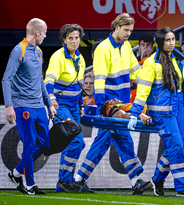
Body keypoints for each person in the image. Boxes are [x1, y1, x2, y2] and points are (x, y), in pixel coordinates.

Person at [74, 13, 151, 195]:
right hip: (109, 103)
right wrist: (102, 107)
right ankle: (135, 180)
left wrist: (151, 81)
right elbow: (99, 80)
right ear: (116, 27)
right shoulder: (103, 49)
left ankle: (79, 179)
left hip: (121, 101)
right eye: (126, 30)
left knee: (103, 141)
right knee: (123, 138)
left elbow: (136, 73)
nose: (128, 34)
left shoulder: (126, 48)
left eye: (131, 31)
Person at [129, 26, 184, 197]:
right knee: (176, 146)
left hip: (179, 109)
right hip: (162, 112)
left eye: (173, 39)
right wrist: (135, 113)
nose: (171, 43)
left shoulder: (180, 60)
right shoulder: (151, 63)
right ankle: (182, 188)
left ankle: (157, 179)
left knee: (174, 146)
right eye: (168, 40)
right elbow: (142, 91)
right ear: (160, 42)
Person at [2, 18, 56, 195]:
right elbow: (6, 79)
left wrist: (49, 104)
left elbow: (40, 81)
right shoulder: (19, 50)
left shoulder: (39, 52)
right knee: (29, 144)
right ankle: (29, 184)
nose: (46, 35)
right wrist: (9, 106)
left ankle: (16, 172)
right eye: (45, 32)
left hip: (39, 106)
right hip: (23, 106)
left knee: (44, 143)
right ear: (37, 32)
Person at [44, 24, 86, 192]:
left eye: (76, 38)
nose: (74, 41)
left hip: (74, 107)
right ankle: (63, 181)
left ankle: (65, 181)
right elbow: (48, 80)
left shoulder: (80, 58)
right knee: (76, 141)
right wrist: (52, 99)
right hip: (60, 106)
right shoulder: (57, 57)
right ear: (64, 40)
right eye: (70, 38)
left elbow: (79, 84)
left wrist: (81, 106)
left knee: (77, 144)